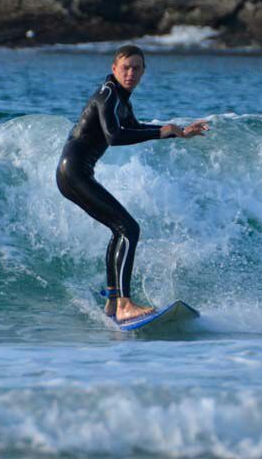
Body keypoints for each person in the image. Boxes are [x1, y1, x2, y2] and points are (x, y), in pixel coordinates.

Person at [56, 44, 210, 323]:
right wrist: (160, 133)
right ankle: (125, 304)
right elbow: (114, 136)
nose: (130, 73)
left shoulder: (122, 101)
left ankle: (113, 302)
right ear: (114, 69)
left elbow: (135, 128)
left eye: (136, 68)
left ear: (143, 72)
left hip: (76, 173)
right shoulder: (108, 94)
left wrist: (178, 132)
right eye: (125, 68)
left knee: (120, 229)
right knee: (129, 229)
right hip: (73, 172)